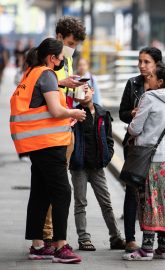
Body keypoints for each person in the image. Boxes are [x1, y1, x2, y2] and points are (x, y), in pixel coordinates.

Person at [10, 37, 86, 263]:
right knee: (62, 192)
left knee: (41, 192)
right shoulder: (47, 75)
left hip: (35, 143)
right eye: (61, 58)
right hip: (49, 143)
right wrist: (75, 113)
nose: (63, 61)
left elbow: (40, 96)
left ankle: (37, 245)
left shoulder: (32, 72)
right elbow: (55, 110)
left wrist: (62, 84)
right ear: (52, 58)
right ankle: (61, 246)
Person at [122, 62, 165, 261]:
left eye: (150, 77)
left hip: (149, 159)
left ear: (160, 82)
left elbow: (134, 128)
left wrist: (132, 125)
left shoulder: (149, 97)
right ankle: (164, 247)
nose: (146, 79)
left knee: (148, 201)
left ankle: (146, 249)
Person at [43, 15, 87, 244]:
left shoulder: (67, 59)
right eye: (70, 44)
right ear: (59, 36)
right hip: (49, 129)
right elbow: (39, 83)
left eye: (75, 46)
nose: (72, 50)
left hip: (66, 125)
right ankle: (47, 236)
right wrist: (63, 83)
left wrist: (80, 90)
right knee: (55, 186)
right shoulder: (45, 55)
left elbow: (64, 88)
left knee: (57, 186)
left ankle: (48, 236)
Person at [69, 86, 125, 251]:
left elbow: (109, 139)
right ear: (76, 97)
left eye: (86, 89)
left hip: (97, 167)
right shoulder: (74, 114)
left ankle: (116, 238)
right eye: (79, 91)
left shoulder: (102, 114)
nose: (84, 93)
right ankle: (83, 238)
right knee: (80, 203)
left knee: (106, 202)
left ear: (93, 91)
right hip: (78, 166)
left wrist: (106, 157)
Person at [119, 47, 163, 253]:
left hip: (157, 147)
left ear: (157, 64)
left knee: (155, 193)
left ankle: (156, 241)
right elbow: (122, 114)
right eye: (140, 61)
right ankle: (130, 239)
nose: (142, 66)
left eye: (147, 62)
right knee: (132, 191)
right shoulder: (133, 83)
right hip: (135, 146)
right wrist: (134, 112)